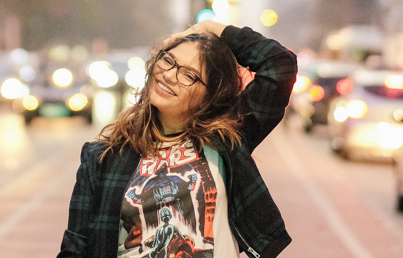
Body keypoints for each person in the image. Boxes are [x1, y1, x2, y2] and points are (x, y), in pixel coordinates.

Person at [57, 20, 298, 258]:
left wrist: (210, 28)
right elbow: (76, 249)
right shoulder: (104, 157)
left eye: (189, 75)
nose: (170, 75)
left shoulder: (227, 139)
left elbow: (280, 65)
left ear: (210, 94)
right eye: (168, 60)